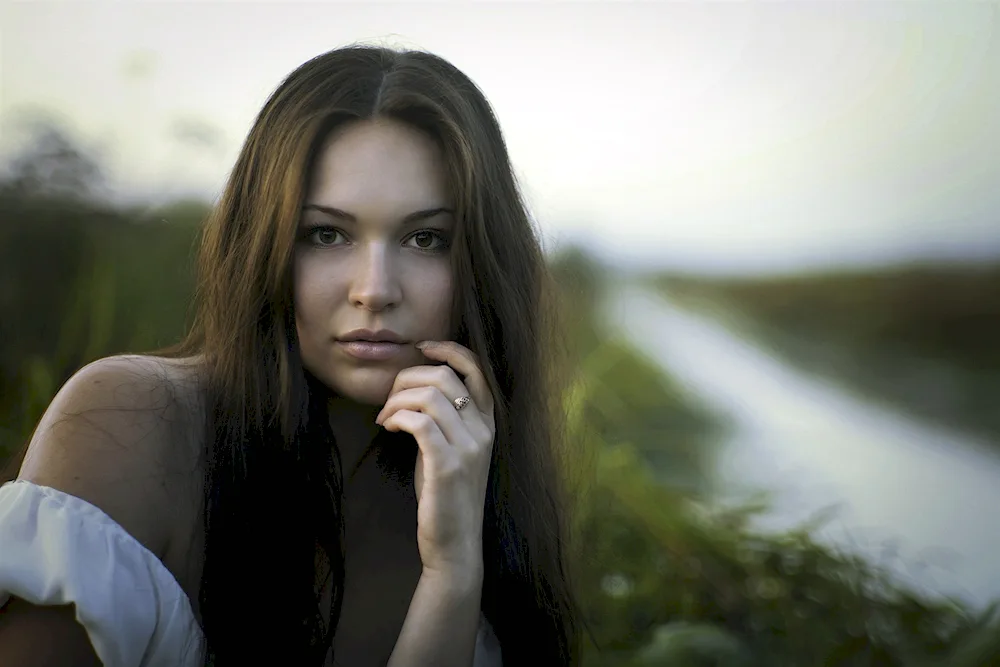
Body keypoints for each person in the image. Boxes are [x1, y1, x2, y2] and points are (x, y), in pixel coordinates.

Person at [0, 45, 580, 667]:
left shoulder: (482, 490)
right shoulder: (131, 422)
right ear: (264, 245)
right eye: (326, 234)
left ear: (482, 265)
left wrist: (453, 573)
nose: (375, 290)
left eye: (425, 238)